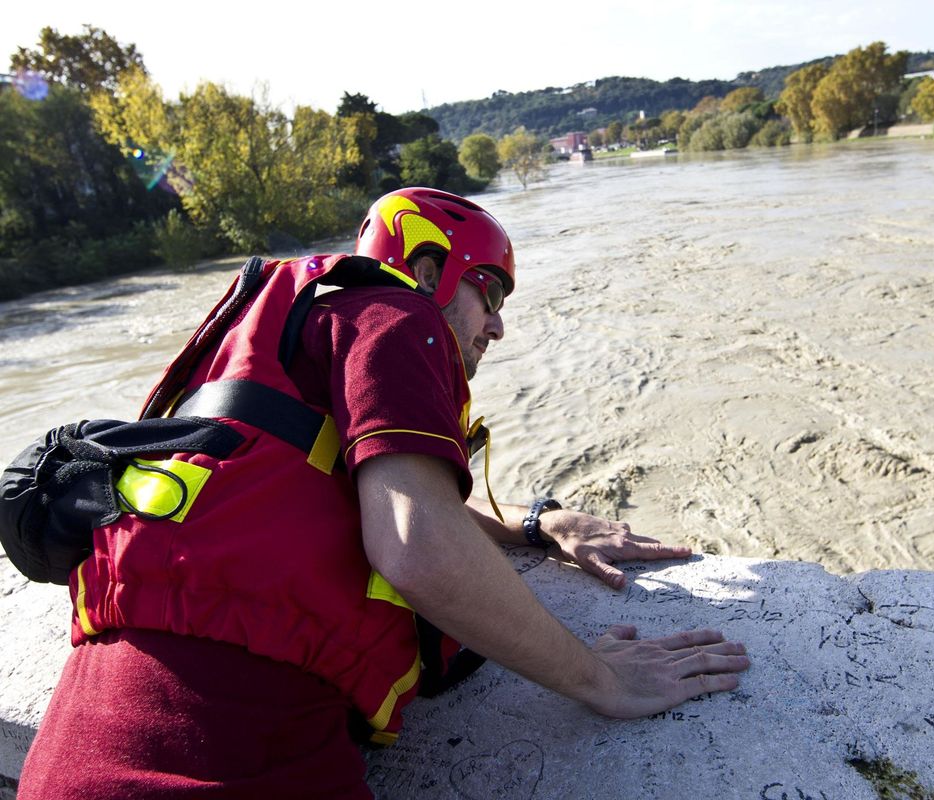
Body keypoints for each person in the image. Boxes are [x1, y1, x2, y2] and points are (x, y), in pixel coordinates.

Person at [16, 187, 750, 799]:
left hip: (72, 761)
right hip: (226, 768)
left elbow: (338, 496)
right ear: (429, 270)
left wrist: (537, 522)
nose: (498, 323)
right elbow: (413, 541)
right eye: (488, 289)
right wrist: (601, 679)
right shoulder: (398, 315)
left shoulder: (298, 328)